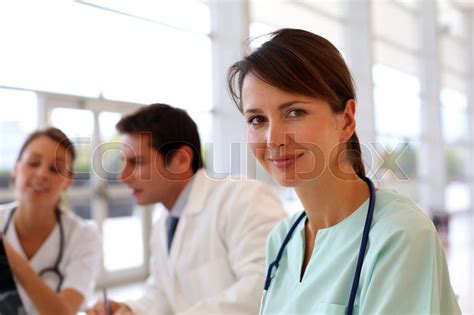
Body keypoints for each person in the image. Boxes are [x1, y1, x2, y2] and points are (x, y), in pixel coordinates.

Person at [227, 28, 461, 314]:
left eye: (294, 112)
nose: (273, 139)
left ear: (347, 120)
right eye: (257, 119)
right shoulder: (282, 239)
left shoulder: (399, 236)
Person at [88, 103, 286, 315]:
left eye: (136, 162)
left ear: (181, 160)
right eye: (123, 162)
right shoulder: (164, 217)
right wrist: (131, 309)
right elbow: (165, 291)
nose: (122, 176)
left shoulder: (242, 198)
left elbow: (264, 287)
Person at [0, 127, 101, 314]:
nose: (41, 175)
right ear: (16, 168)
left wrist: (7, 253)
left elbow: (64, 312)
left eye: (55, 169)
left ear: (68, 182)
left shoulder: (84, 236)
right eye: (33, 163)